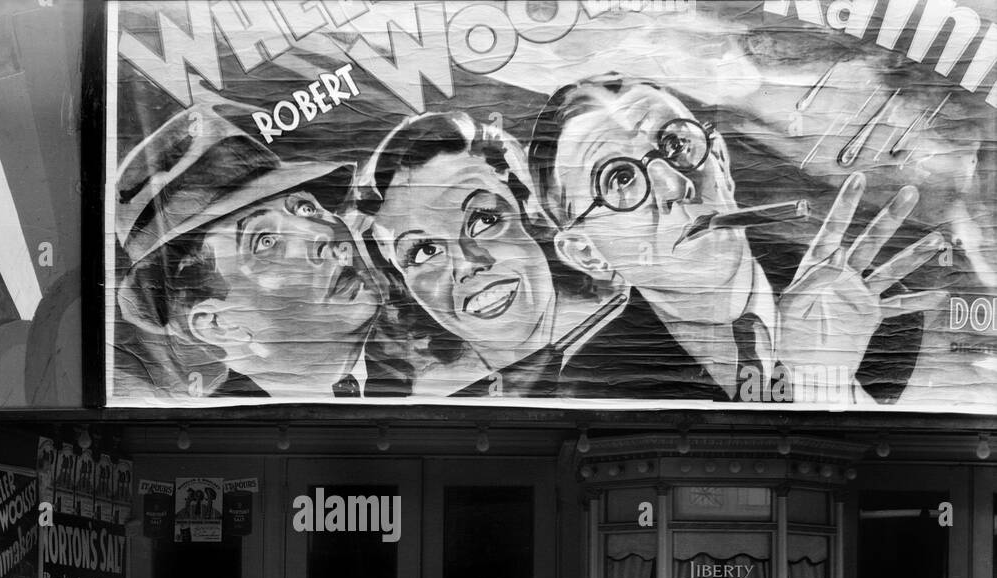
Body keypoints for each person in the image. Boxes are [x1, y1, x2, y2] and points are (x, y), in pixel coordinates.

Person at [529, 73, 947, 402]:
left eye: (676, 143)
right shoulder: (598, 380)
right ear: (587, 253)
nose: (675, 185)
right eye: (620, 179)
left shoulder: (872, 311)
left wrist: (827, 380)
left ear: (722, 162)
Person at [114, 98, 384, 399]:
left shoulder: (418, 360)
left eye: (306, 209)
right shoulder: (220, 432)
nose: (323, 234)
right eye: (266, 242)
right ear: (219, 325)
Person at [355, 111, 627, 397]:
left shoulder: (628, 319)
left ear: (527, 210)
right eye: (425, 251)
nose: (467, 264)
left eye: (484, 219)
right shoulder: (428, 394)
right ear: (403, 283)